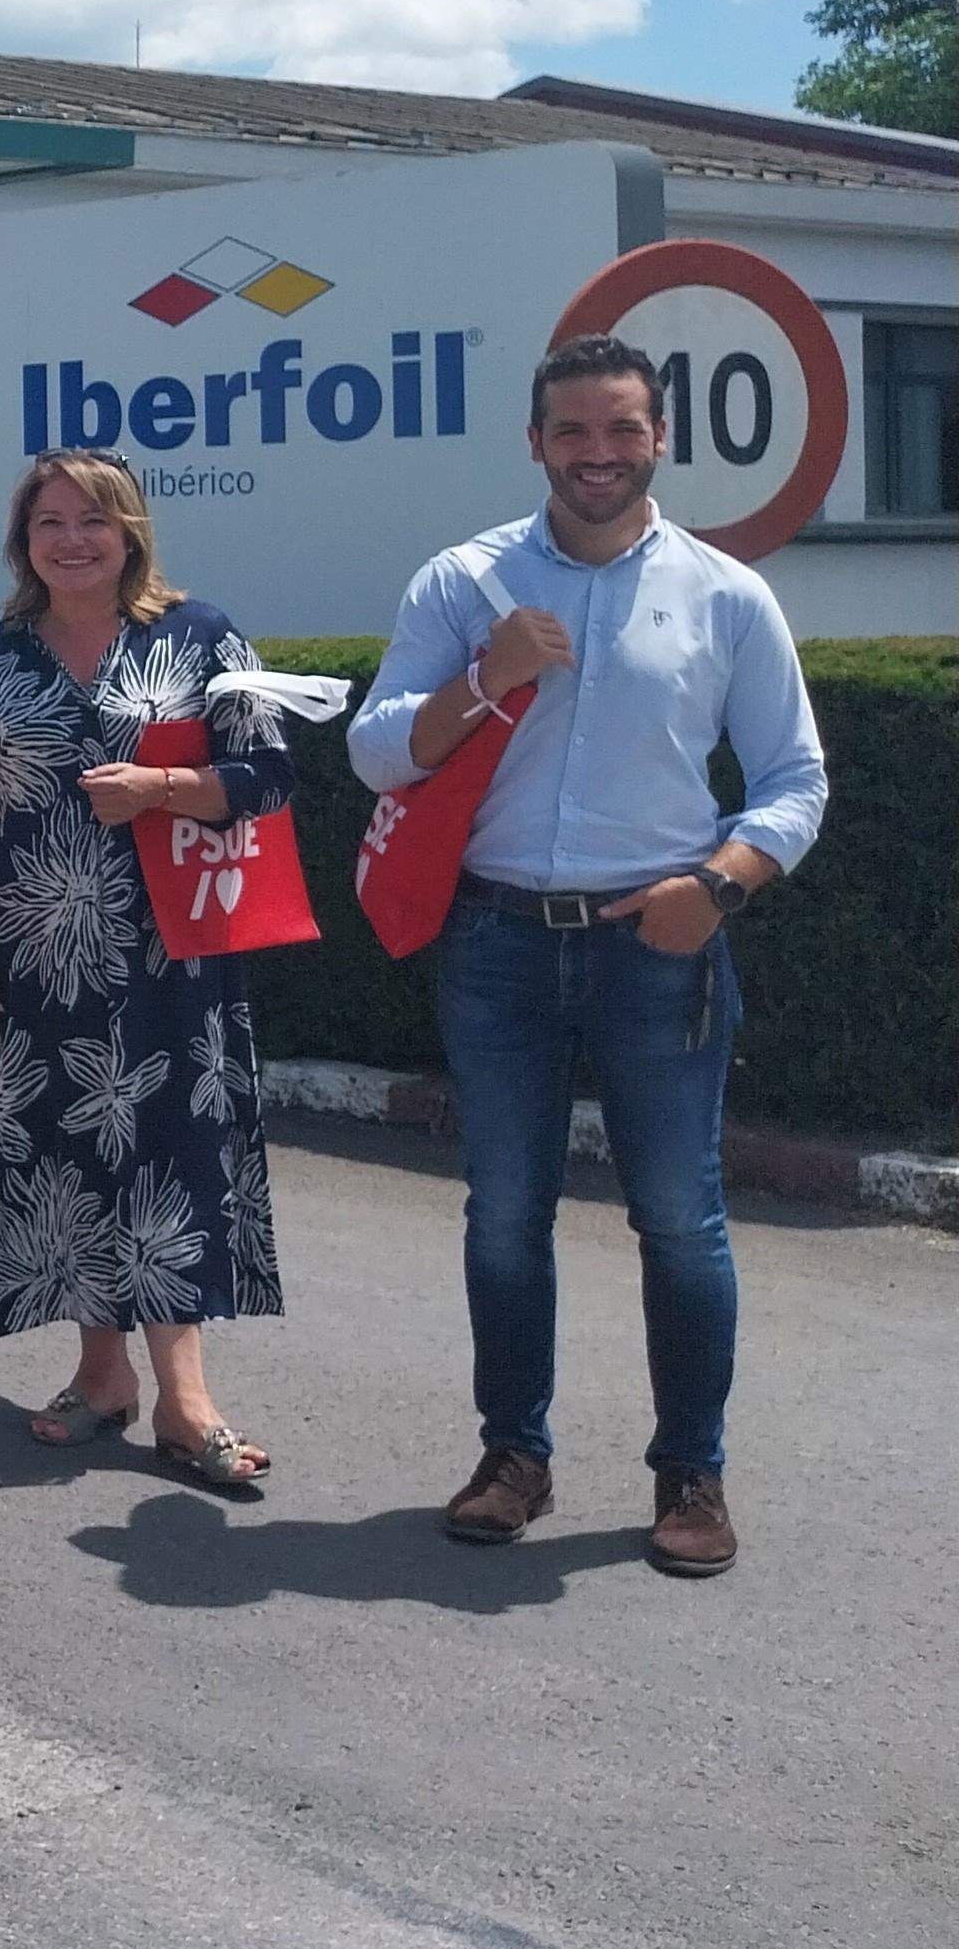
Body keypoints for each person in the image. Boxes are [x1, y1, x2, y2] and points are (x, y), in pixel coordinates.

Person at [347, 334, 826, 1579]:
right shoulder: (467, 580)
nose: (597, 454)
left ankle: (691, 1473)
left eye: (621, 430)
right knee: (505, 1214)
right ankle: (514, 1456)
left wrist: (717, 888)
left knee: (680, 1221)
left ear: (660, 438)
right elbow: (379, 749)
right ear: (536, 441)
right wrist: (484, 679)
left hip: (659, 941)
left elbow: (792, 780)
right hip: (498, 938)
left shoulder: (725, 593)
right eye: (573, 432)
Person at [0, 449, 295, 1491]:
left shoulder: (200, 635)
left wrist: (166, 785)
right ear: (23, 540)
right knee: (65, 1156)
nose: (72, 539)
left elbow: (269, 772)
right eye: (50, 522)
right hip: (30, 966)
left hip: (173, 956)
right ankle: (101, 1374)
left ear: (130, 529)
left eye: (92, 519)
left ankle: (186, 1398)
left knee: (174, 1157)